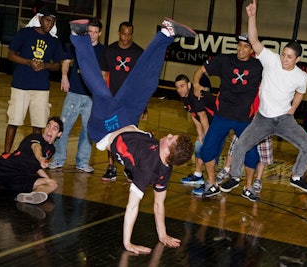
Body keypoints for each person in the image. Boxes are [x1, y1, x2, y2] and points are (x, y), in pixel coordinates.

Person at [70, 17, 196, 254]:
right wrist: (162, 234)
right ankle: (166, 34)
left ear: (168, 150)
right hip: (127, 119)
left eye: (171, 138)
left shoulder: (149, 169)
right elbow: (159, 205)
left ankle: (78, 38)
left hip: (104, 130)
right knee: (146, 86)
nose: (168, 134)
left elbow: (132, 206)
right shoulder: (166, 168)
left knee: (101, 92)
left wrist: (127, 243)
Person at [226, 0, 307, 194]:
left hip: (284, 119)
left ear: (297, 59)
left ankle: (297, 176)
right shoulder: (271, 60)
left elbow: (301, 92)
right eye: (284, 54)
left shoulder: (301, 76)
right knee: (240, 145)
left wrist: (293, 109)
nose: (284, 58)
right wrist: (251, 17)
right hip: (263, 119)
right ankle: (234, 177)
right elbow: (254, 40)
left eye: (289, 56)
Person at [191, 33, 263, 198]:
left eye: (245, 46)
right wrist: (196, 84)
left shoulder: (258, 66)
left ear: (252, 49)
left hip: (244, 118)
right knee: (207, 149)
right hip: (222, 115)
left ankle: (249, 187)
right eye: (239, 45)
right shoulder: (224, 60)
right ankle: (212, 183)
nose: (241, 49)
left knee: (252, 154)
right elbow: (201, 70)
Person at [4, 6, 65, 154]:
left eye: (52, 22)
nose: (49, 24)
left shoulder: (54, 41)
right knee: (14, 122)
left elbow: (58, 65)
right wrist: (29, 62)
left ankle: (34, 156)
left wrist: (45, 65)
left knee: (38, 125)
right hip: (20, 85)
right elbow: (10, 54)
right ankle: (5, 154)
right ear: (39, 19)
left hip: (41, 87)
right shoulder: (25, 33)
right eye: (47, 20)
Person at [48, 17, 104, 172]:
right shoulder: (77, 44)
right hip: (74, 93)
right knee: (63, 128)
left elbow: (104, 74)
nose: (92, 35)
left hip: (91, 97)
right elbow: (66, 61)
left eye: (95, 32)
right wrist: (64, 76)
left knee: (88, 130)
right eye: (89, 31)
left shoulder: (103, 51)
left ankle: (82, 162)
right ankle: (58, 159)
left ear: (100, 33)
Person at [99, 21, 144, 182]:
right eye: (123, 33)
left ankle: (129, 167)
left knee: (131, 135)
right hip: (112, 101)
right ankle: (111, 167)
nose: (126, 38)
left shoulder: (139, 53)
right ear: (119, 32)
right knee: (111, 133)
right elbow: (103, 75)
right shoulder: (109, 51)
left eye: (129, 34)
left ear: (132, 34)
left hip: (131, 102)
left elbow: (141, 80)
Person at [175, 74, 215, 185]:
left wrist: (207, 136)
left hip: (219, 122)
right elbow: (194, 114)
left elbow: (203, 116)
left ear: (189, 84)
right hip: (209, 123)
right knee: (199, 145)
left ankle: (212, 183)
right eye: (177, 87)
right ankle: (198, 175)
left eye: (182, 86)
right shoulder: (184, 97)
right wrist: (200, 134)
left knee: (209, 151)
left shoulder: (196, 95)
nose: (179, 90)